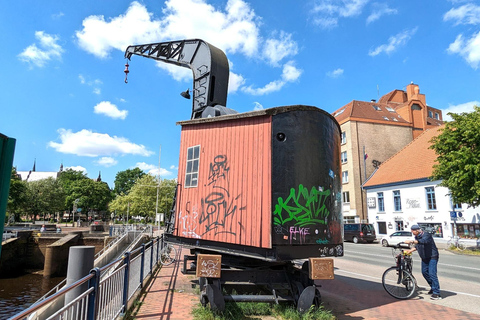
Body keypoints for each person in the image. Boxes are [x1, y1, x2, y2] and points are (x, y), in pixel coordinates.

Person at [405, 224, 441, 300]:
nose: (412, 232)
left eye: (413, 231)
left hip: (432, 256)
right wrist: (410, 250)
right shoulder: (417, 237)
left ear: (417, 230)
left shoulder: (426, 235)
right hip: (424, 257)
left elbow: (424, 241)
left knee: (432, 273)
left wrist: (412, 241)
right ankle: (433, 287)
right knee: (424, 272)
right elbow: (418, 246)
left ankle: (436, 293)